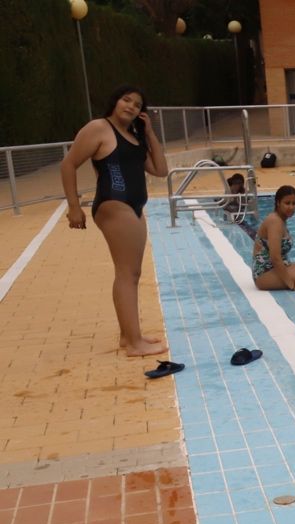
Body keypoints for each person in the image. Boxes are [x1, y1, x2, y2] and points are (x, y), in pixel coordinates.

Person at [60, 84, 169, 357]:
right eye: (126, 100)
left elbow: (160, 169)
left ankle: (128, 336)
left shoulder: (132, 136)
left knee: (132, 273)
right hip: (114, 204)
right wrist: (74, 207)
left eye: (137, 104)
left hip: (134, 207)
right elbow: (69, 164)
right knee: (126, 273)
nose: (130, 106)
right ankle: (134, 343)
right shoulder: (99, 128)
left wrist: (150, 132)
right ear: (115, 101)